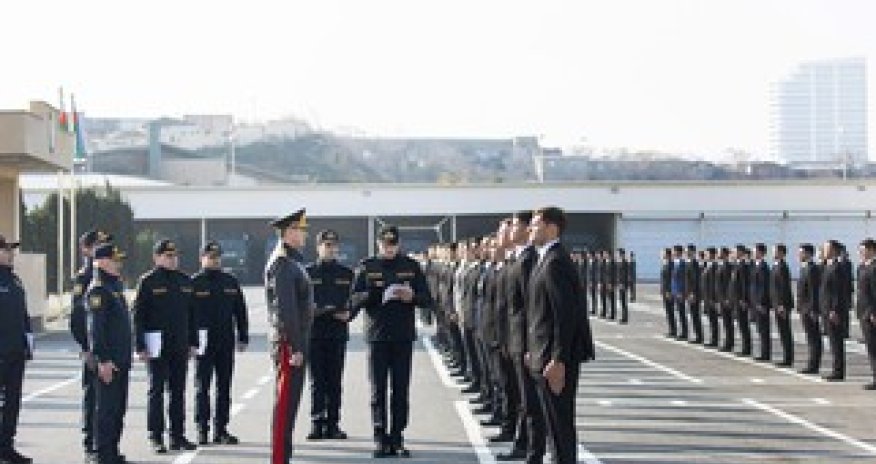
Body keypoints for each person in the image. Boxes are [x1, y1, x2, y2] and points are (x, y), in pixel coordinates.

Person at [351, 225, 432, 458]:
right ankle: (380, 438)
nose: (389, 248)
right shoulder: (367, 267)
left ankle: (397, 437)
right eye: (385, 244)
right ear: (378, 243)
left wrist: (412, 297)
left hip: (402, 336)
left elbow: (427, 299)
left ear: (399, 244)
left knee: (400, 389)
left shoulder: (411, 266)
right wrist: (376, 294)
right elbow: (355, 298)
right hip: (377, 335)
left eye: (393, 244)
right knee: (378, 390)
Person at [526, 206, 595, 464]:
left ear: (552, 227)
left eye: (535, 224)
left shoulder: (555, 262)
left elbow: (564, 316)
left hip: (554, 359)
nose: (530, 229)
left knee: (560, 425)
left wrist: (558, 359)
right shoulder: (545, 259)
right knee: (554, 426)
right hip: (543, 353)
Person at [133, 239, 199, 453]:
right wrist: (140, 345)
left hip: (179, 344)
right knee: (157, 391)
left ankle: (177, 436)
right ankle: (156, 436)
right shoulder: (148, 281)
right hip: (156, 345)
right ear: (157, 257)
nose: (173, 260)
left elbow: (192, 315)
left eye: (175, 256)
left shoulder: (185, 281)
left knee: (178, 391)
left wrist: (193, 342)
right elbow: (138, 316)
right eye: (168, 256)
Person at [265, 208, 314, 464]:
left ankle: (283, 457)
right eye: (299, 230)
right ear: (288, 232)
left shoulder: (293, 261)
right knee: (285, 407)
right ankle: (279, 459)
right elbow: (286, 310)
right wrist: (295, 347)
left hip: (294, 341)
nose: (303, 234)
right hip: (288, 343)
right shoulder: (283, 264)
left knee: (290, 405)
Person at [192, 241, 249, 445]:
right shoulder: (194, 283)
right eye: (210, 257)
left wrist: (243, 336)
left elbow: (240, 311)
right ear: (202, 258)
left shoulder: (230, 281)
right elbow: (188, 315)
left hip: (225, 341)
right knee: (202, 387)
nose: (214, 260)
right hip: (203, 342)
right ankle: (202, 429)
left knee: (224, 387)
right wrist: (190, 341)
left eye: (217, 257)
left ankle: (221, 429)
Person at [305, 230, 354, 440]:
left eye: (333, 245)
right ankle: (317, 423)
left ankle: (333, 423)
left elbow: (356, 299)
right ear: (318, 247)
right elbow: (300, 301)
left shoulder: (346, 273)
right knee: (316, 381)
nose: (330, 249)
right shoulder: (307, 272)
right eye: (326, 245)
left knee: (334, 381)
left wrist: (350, 313)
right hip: (314, 333)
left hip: (337, 332)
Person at [87, 243, 132, 464]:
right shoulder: (99, 289)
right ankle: (103, 454)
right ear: (103, 262)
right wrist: (103, 360)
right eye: (115, 260)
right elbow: (96, 329)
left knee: (118, 409)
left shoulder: (114, 287)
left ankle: (112, 450)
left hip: (121, 359)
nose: (119, 264)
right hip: (109, 361)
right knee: (106, 409)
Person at [69, 229, 111, 461]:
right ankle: (90, 444)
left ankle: (103, 443)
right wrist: (86, 348)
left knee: (106, 399)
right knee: (92, 396)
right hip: (92, 348)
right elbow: (77, 318)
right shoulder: (85, 277)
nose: (101, 249)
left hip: (106, 346)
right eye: (96, 245)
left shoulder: (106, 277)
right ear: (85, 249)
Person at [0, 236, 32, 464]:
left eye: (12, 249)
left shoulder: (15, 281)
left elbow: (23, 316)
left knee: (12, 403)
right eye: (6, 249)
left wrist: (27, 343)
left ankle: (6, 447)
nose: (11, 253)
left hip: (15, 353)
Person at [820, 241, 846, 381]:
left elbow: (837, 291)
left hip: (832, 311)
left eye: (826, 248)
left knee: (836, 342)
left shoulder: (837, 267)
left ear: (834, 250)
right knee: (832, 341)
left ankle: (838, 371)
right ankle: (836, 369)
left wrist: (834, 309)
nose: (824, 250)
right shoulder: (827, 265)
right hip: (826, 309)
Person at [797, 243, 822, 374]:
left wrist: (814, 310)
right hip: (804, 308)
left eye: (801, 252)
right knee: (810, 337)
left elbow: (814, 291)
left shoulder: (812, 269)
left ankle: (813, 365)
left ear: (808, 253)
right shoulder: (804, 268)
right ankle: (811, 363)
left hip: (809, 309)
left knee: (814, 338)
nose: (799, 255)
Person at [770, 244, 794, 367]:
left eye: (775, 251)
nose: (772, 253)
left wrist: (782, 305)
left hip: (782, 305)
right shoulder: (775, 266)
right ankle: (786, 356)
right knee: (782, 331)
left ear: (781, 253)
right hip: (776, 304)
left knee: (785, 332)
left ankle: (788, 358)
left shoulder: (783, 267)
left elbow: (784, 288)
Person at [857, 239, 876, 390]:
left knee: (874, 347)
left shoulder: (874, 268)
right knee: (871, 347)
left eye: (863, 250)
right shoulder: (863, 267)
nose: (861, 253)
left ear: (871, 250)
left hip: (871, 314)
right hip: (864, 312)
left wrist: (872, 312)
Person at [751, 243, 772, 362]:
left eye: (755, 251)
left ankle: (765, 354)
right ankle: (763, 352)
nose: (754, 254)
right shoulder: (756, 266)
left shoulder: (763, 267)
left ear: (761, 253)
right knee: (760, 329)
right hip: (756, 303)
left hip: (761, 304)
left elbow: (764, 287)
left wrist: (761, 303)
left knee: (764, 330)